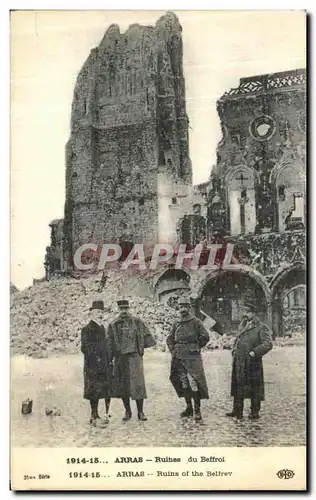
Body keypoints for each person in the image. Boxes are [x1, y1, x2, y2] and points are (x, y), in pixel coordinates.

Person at [107, 299, 156, 421]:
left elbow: (148, 336)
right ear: (118, 310)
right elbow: (109, 342)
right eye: (121, 309)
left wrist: (140, 347)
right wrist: (109, 357)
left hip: (135, 357)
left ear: (129, 309)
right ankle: (127, 411)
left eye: (125, 308)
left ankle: (140, 412)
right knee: (123, 386)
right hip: (120, 358)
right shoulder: (113, 324)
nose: (124, 311)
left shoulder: (137, 322)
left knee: (138, 384)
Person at [226, 301, 273, 422]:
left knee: (254, 386)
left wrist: (255, 352)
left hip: (252, 362)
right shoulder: (242, 325)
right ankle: (237, 409)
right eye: (244, 312)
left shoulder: (261, 327)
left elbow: (268, 344)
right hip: (239, 360)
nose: (245, 314)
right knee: (238, 385)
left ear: (254, 313)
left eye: (248, 312)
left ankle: (254, 411)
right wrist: (234, 350)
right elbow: (238, 339)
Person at [166, 296, 210, 422]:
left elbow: (205, 336)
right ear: (178, 308)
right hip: (179, 356)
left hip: (192, 357)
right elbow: (169, 338)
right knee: (183, 381)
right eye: (181, 307)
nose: (183, 309)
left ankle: (197, 409)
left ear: (189, 308)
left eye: (185, 307)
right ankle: (188, 407)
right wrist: (173, 350)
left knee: (193, 381)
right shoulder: (176, 323)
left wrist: (195, 347)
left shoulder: (196, 322)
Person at [81, 300, 112, 427]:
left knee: (102, 389)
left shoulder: (102, 328)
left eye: (101, 312)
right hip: (92, 364)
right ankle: (93, 415)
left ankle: (97, 415)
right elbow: (84, 347)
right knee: (93, 389)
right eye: (97, 312)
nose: (99, 314)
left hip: (103, 363)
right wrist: (96, 356)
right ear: (92, 313)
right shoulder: (87, 329)